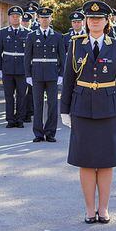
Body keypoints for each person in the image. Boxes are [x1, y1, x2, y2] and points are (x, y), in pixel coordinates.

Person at [60, 0, 116, 224]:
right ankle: (90, 210)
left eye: (99, 18)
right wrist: (64, 110)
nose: (94, 22)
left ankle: (104, 208)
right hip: (81, 109)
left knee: (107, 161)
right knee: (86, 161)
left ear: (107, 21)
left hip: (109, 109)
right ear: (86, 21)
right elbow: (69, 79)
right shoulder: (75, 44)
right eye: (91, 19)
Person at [24, 7, 65, 142]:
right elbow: (27, 57)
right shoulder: (31, 36)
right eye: (42, 17)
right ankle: (38, 133)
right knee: (38, 104)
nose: (44, 20)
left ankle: (50, 132)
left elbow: (63, 57)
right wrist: (28, 75)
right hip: (36, 74)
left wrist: (61, 74)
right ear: (38, 19)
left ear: (50, 19)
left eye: (47, 17)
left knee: (53, 105)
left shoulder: (58, 36)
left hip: (52, 74)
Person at [0, 6, 31, 128]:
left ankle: (20, 119)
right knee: (9, 95)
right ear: (9, 18)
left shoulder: (28, 33)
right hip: (8, 68)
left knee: (22, 95)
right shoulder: (3, 32)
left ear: (21, 18)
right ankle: (10, 119)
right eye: (13, 16)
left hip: (23, 69)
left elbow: (30, 54)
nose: (15, 18)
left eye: (17, 16)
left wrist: (30, 71)